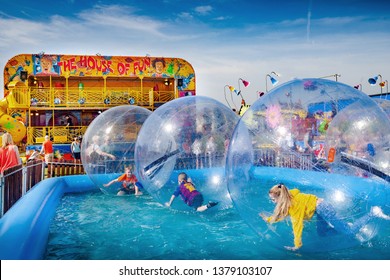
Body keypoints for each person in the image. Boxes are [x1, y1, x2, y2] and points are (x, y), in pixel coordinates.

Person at [260, 183, 390, 251]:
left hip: (324, 208)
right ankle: (345, 225)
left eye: (273, 199)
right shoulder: (290, 197)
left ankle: (373, 213)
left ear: (280, 197)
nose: (272, 202)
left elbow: (297, 225)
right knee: (322, 234)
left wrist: (297, 245)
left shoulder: (294, 205)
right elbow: (281, 213)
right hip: (320, 209)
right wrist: (269, 219)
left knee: (348, 233)